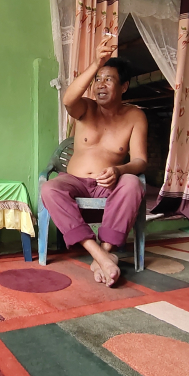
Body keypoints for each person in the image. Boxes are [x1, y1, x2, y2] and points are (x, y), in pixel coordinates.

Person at [40, 36, 147, 287]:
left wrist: (119, 170)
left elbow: (140, 160)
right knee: (49, 188)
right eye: (98, 79)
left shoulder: (135, 116)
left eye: (108, 79)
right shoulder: (85, 108)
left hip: (107, 186)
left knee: (132, 183)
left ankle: (105, 251)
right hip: (74, 181)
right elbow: (68, 99)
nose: (100, 85)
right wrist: (97, 63)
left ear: (124, 86)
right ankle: (99, 255)